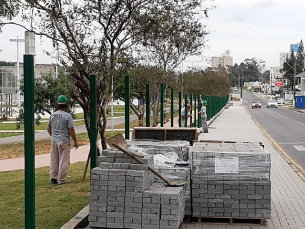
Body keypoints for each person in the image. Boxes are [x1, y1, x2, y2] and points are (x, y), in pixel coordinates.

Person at [47, 95, 79, 185]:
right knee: (64, 160)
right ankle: (61, 180)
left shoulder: (52, 115)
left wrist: (53, 136)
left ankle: (53, 177)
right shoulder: (67, 116)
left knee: (54, 159)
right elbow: (71, 130)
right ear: (66, 105)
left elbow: (48, 128)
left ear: (58, 105)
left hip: (54, 140)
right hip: (64, 141)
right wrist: (75, 141)